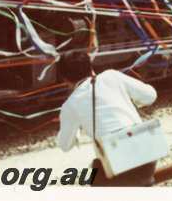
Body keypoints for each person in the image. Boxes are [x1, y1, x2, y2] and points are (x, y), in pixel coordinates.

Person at [56, 52, 158, 186]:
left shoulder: (70, 104)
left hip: (117, 164)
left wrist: (76, 130)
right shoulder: (112, 76)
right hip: (147, 156)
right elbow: (150, 96)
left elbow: (65, 145)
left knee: (95, 176)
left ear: (65, 79)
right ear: (90, 66)